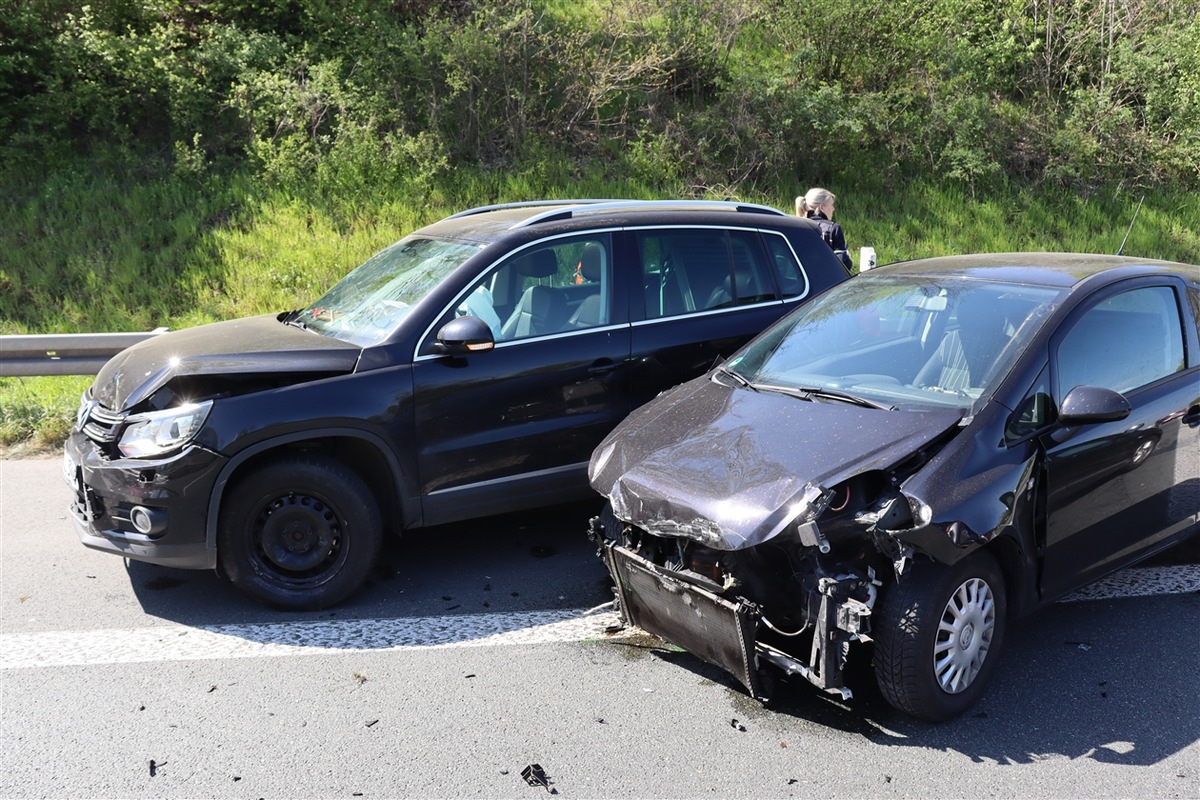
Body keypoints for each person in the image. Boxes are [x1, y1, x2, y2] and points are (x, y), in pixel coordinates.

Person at [797, 187, 852, 272]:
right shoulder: (833, 228)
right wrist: (847, 257)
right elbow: (843, 265)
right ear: (822, 207)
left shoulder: (796, 226)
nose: (833, 209)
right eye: (832, 205)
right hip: (826, 282)